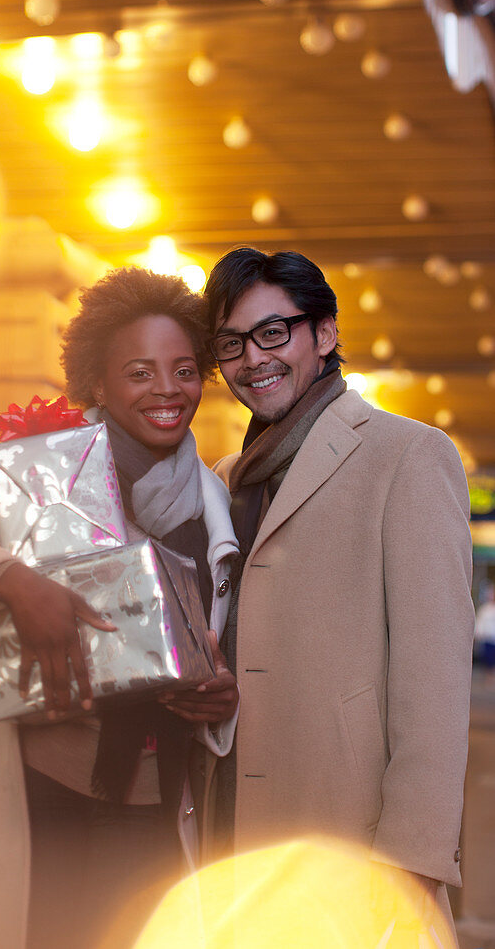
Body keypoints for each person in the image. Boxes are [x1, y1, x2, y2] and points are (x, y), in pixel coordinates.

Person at [0, 266, 239, 949]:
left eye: (184, 370)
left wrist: (220, 696)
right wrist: (10, 579)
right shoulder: (42, 475)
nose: (167, 391)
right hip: (37, 796)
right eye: (140, 372)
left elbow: (213, 642)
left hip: (159, 810)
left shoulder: (215, 504)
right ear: (98, 381)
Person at [185, 246, 473, 933]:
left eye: (273, 332)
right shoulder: (224, 476)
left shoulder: (407, 455)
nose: (254, 358)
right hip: (229, 825)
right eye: (231, 343)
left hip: (350, 834)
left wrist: (410, 859)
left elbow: (433, 681)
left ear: (326, 333)